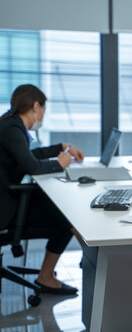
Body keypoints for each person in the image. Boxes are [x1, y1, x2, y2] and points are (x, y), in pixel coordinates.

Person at [0, 84, 85, 295]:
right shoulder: (12, 129)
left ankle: (87, 256)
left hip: (6, 199)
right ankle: (47, 276)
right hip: (4, 210)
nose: (43, 116)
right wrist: (60, 163)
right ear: (36, 106)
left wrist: (60, 148)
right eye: (44, 110)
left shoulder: (11, 125)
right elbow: (33, 167)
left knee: (60, 209)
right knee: (65, 219)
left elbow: (28, 158)